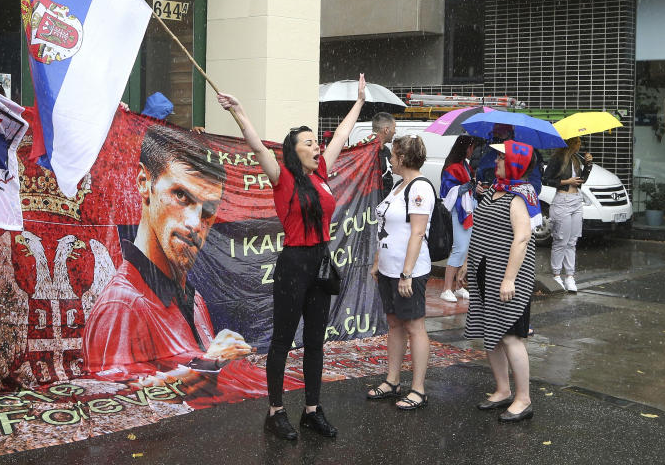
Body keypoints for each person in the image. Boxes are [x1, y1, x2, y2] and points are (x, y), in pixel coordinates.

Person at [216, 74, 368, 440]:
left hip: (320, 262)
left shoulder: (322, 173)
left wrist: (360, 102)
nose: (318, 146)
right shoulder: (282, 177)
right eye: (310, 143)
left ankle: (312, 411)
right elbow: (256, 146)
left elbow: (343, 136)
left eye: (318, 142)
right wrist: (239, 111)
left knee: (316, 340)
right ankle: (276, 411)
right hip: (293, 265)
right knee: (283, 340)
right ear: (295, 150)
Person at [82, 125, 261, 399]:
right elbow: (112, 403)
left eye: (208, 210)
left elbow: (198, 394)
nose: (194, 224)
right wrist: (208, 363)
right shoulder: (122, 305)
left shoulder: (194, 299)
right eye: (181, 195)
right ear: (144, 183)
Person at [460, 140, 539, 423]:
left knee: (511, 336)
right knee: (490, 332)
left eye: (503, 159)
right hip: (485, 271)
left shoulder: (520, 196)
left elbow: (521, 239)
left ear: (516, 163)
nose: (497, 162)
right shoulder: (495, 189)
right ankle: (503, 390)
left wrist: (509, 279)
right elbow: (479, 229)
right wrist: (467, 264)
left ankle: (523, 399)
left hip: (508, 277)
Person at [366, 135, 433, 410]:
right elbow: (388, 228)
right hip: (388, 269)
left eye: (393, 155)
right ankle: (392, 380)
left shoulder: (419, 188)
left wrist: (407, 274)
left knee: (414, 326)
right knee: (394, 323)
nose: (390, 159)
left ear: (402, 158)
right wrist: (378, 261)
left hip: (409, 271)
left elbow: (417, 232)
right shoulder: (397, 186)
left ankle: (418, 389)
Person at [542, 137, 593, 293]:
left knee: (572, 240)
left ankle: (570, 276)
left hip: (576, 200)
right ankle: (557, 274)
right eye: (577, 143)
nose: (580, 146)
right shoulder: (558, 158)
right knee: (561, 240)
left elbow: (581, 181)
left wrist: (588, 165)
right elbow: (546, 179)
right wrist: (566, 181)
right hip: (562, 200)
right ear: (571, 143)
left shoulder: (576, 159)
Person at [440, 135, 476, 302]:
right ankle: (447, 288)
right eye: (472, 147)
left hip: (467, 208)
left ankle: (458, 286)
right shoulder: (454, 167)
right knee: (460, 249)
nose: (473, 150)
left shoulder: (464, 165)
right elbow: (447, 191)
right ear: (466, 147)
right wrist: (468, 186)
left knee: (465, 249)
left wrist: (474, 187)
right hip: (459, 210)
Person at [360, 112, 397, 195]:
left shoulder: (387, 151)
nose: (395, 132)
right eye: (394, 128)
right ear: (386, 130)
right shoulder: (367, 152)